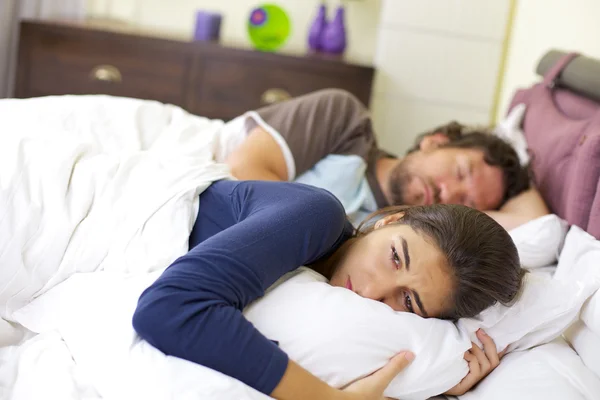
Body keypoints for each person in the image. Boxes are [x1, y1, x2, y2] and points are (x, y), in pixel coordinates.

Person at [132, 179, 525, 399]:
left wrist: (435, 386)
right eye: (394, 258)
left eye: (407, 301)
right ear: (391, 221)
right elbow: (167, 309)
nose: (371, 292)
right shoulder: (317, 216)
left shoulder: (317, 287)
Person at [221, 89, 549, 230]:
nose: (448, 193)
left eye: (467, 202)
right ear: (435, 142)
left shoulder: (396, 233)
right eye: (460, 172)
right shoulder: (345, 121)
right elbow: (242, 170)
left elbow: (536, 227)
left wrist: (523, 179)